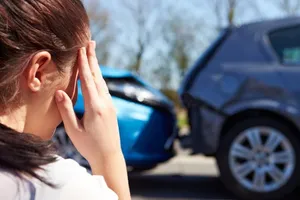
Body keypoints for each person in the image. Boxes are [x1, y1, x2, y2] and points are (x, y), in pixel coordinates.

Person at [0, 0, 131, 199]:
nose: (75, 96)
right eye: (77, 77)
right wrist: (108, 157)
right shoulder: (56, 185)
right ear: (39, 73)